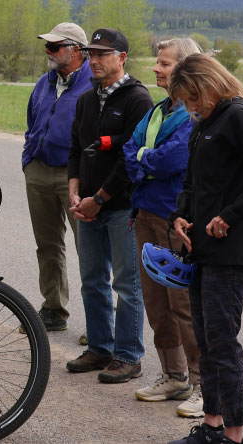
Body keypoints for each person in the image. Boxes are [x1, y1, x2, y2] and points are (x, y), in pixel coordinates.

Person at [168, 54, 243, 444]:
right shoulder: (203, 125)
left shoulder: (238, 116)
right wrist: (181, 216)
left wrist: (231, 215)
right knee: (207, 343)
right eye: (185, 101)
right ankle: (211, 426)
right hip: (201, 251)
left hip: (231, 252)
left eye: (192, 97)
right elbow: (192, 183)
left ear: (208, 84)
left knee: (223, 343)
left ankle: (234, 436)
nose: (191, 107)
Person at [121, 38, 205, 417]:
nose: (156, 69)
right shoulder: (157, 110)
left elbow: (174, 160)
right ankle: (174, 376)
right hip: (145, 213)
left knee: (183, 305)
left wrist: (144, 160)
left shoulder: (192, 114)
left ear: (187, 69)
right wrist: (145, 160)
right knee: (155, 302)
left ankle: (203, 384)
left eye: (165, 64)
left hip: (176, 219)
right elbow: (129, 151)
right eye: (157, 63)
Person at [64, 28, 152, 383]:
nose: (94, 60)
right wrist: (74, 189)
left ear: (122, 58)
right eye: (91, 54)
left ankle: (128, 356)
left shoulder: (138, 100)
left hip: (120, 208)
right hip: (87, 205)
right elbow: (75, 149)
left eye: (102, 54)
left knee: (127, 284)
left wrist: (98, 200)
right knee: (91, 280)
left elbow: (130, 163)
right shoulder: (86, 100)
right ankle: (100, 348)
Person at [23, 21, 92, 331]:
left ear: (75, 50)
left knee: (89, 247)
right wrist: (29, 158)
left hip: (75, 175)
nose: (47, 51)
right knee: (47, 244)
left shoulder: (94, 83)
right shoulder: (44, 82)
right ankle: (53, 309)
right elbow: (32, 121)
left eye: (53, 47)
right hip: (39, 170)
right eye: (46, 46)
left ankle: (100, 323)